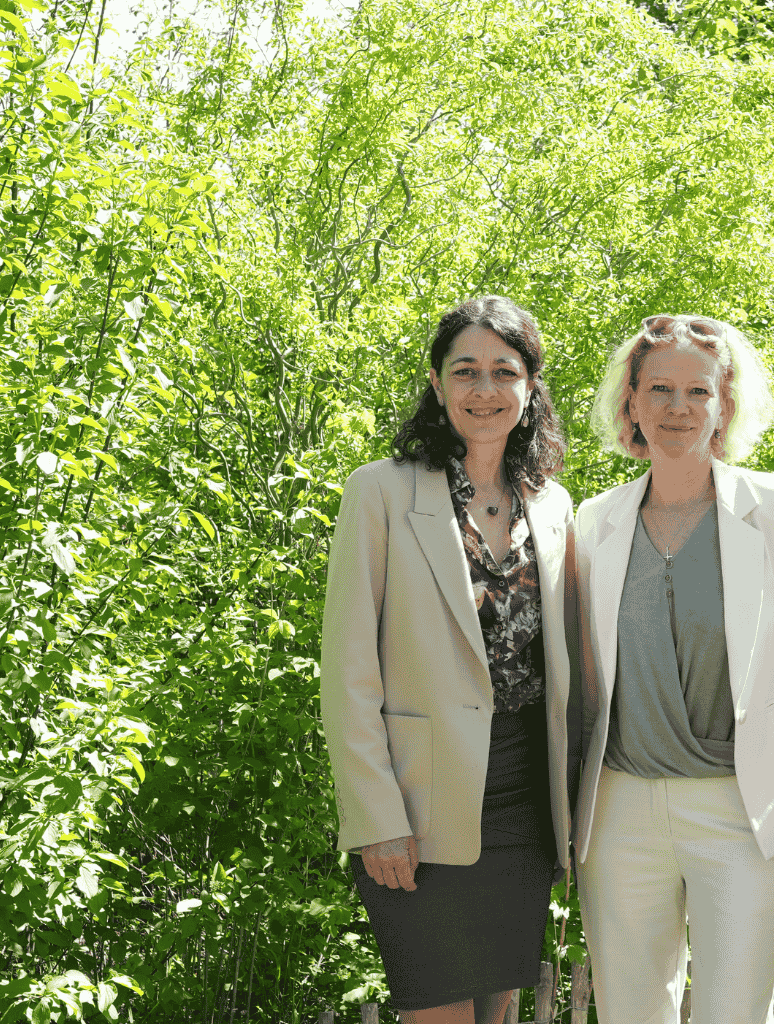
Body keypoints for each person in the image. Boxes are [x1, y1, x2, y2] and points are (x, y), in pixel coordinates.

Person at [569, 314, 774, 1024]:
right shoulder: (592, 521)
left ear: (724, 404)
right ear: (630, 402)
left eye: (697, 391)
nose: (677, 408)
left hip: (746, 808)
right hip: (619, 814)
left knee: (735, 1014)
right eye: (659, 389)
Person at [320, 296, 576, 1024]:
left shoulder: (551, 504)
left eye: (504, 371)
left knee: (496, 1011)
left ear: (530, 387)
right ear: (436, 384)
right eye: (465, 371)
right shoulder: (381, 491)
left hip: (525, 802)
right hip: (418, 807)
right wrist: (375, 816)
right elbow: (347, 671)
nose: (484, 390)